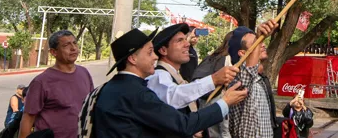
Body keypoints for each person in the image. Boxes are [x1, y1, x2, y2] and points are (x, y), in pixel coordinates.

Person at [79, 28, 248, 138]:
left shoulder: (115, 87)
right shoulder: (136, 92)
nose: (154, 57)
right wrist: (225, 102)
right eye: (150, 52)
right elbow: (182, 123)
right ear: (132, 58)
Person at [146, 23, 238, 113]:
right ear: (163, 50)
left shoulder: (176, 76)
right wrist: (213, 79)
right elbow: (175, 96)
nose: (187, 44)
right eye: (180, 40)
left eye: (186, 39)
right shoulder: (158, 76)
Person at [20, 30, 93, 138]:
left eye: (74, 43)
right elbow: (28, 119)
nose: (73, 48)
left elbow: (90, 108)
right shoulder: (41, 82)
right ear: (54, 52)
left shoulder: (84, 73)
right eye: (66, 45)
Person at [227, 21, 279, 138]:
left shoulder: (259, 80)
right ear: (242, 53)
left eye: (261, 41)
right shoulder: (238, 80)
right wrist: (259, 37)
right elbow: (249, 70)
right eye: (255, 43)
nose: (263, 44)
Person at [192, 32, 234, 138]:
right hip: (217, 98)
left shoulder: (212, 57)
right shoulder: (227, 58)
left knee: (211, 131)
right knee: (222, 132)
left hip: (204, 99)